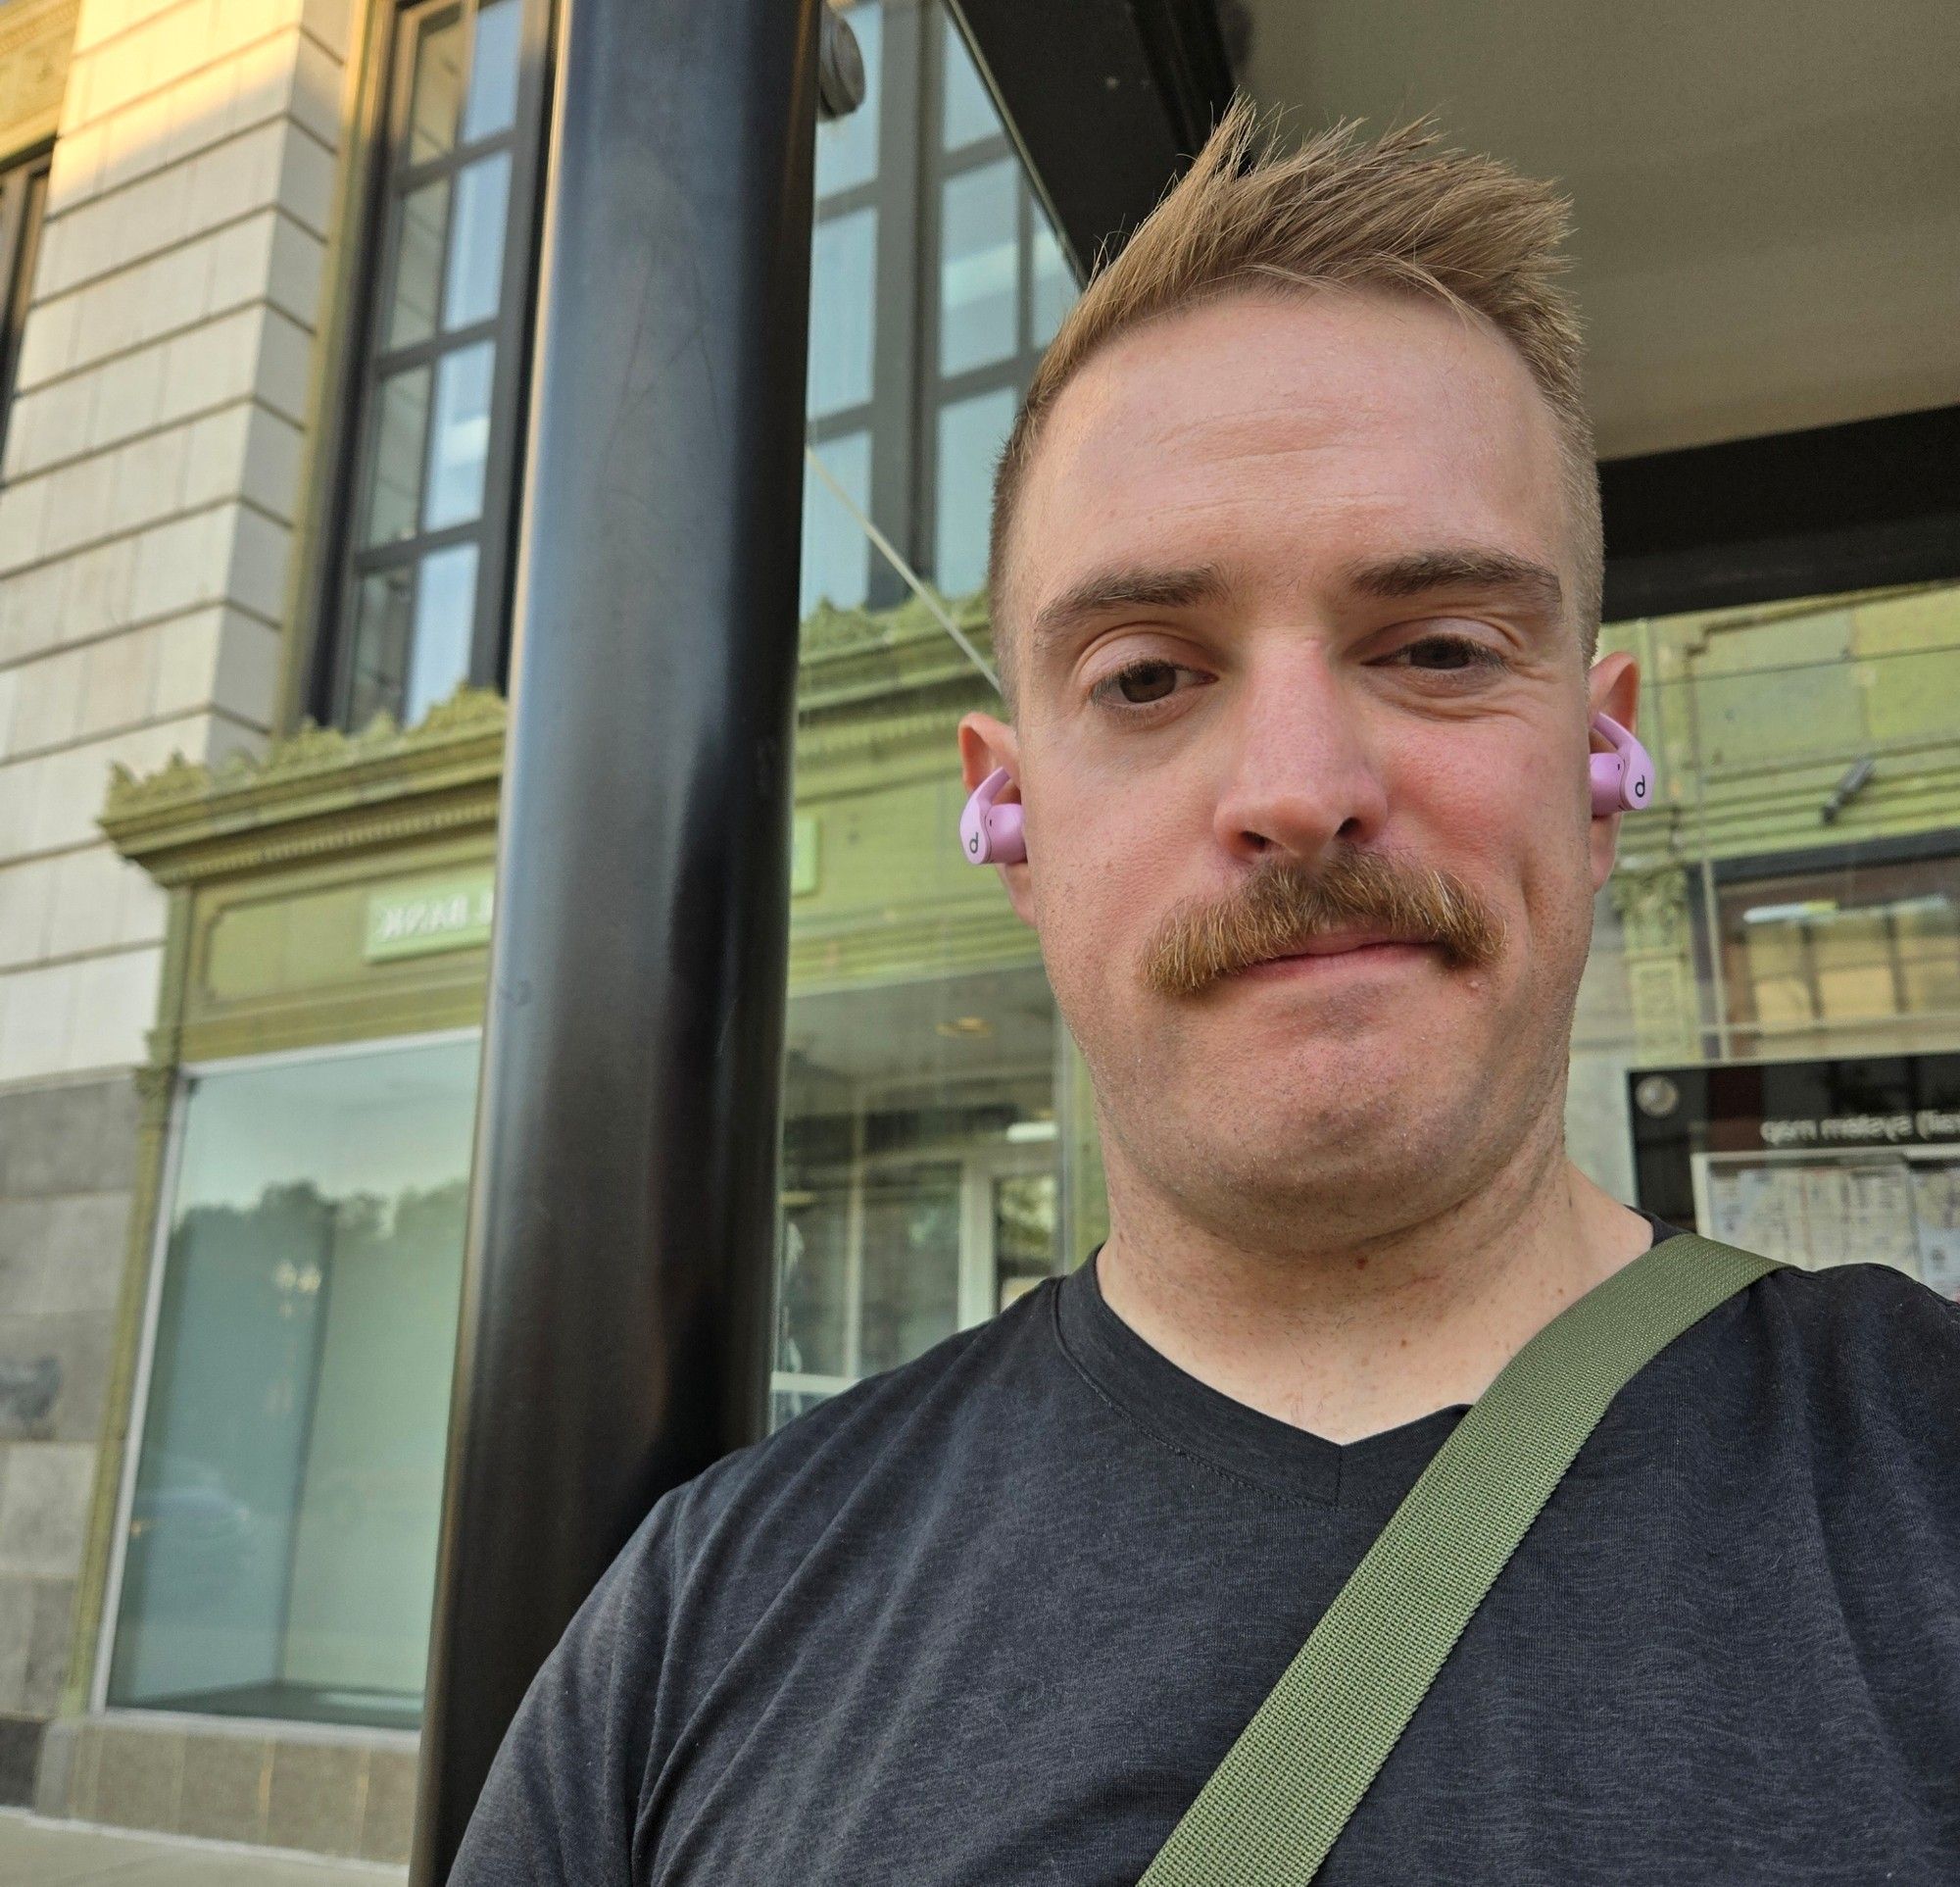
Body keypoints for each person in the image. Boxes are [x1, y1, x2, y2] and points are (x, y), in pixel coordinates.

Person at [452, 101, 1960, 1884]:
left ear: (1601, 748)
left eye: (1441, 648)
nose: (1300, 783)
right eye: (1152, 675)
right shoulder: (692, 1625)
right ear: (1009, 817)